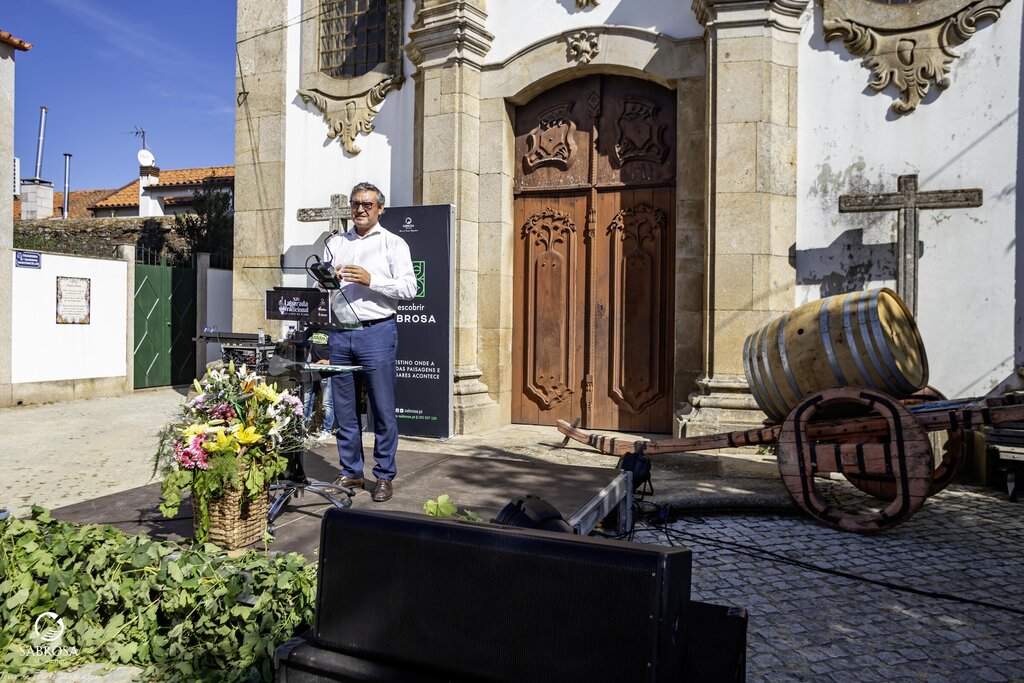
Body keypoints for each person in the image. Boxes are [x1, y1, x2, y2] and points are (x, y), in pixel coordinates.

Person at [324, 182, 416, 502]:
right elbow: (322, 288)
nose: (360, 209)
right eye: (356, 204)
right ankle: (351, 470)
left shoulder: (393, 243)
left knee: (382, 407)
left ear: (380, 209)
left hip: (376, 331)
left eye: (367, 204)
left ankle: (384, 475)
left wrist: (371, 279)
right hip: (340, 331)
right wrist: (327, 280)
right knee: (344, 408)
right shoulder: (335, 243)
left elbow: (410, 289)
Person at [301, 330, 335, 440]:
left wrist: (330, 361)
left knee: (327, 402)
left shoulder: (333, 328)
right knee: (307, 401)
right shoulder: (313, 327)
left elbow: (340, 348)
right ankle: (304, 431)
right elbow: (300, 339)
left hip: (327, 369)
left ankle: (326, 431)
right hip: (312, 368)